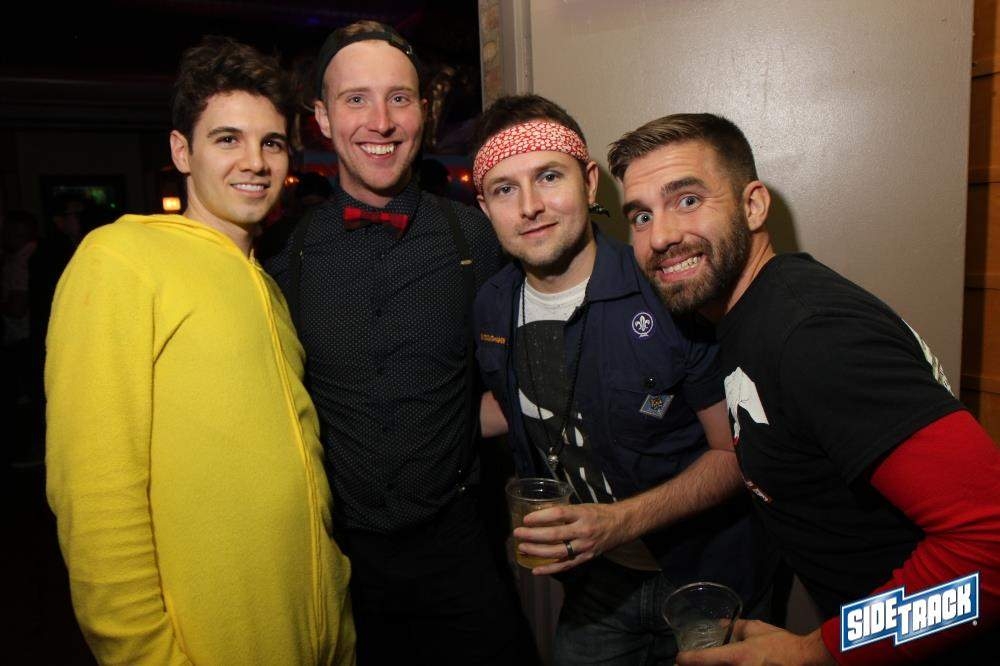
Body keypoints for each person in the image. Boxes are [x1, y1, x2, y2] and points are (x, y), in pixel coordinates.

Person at [609, 113, 1000, 664]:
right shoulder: (744, 316)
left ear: (753, 206)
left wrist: (819, 650)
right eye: (642, 215)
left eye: (688, 200)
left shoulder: (810, 333)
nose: (661, 236)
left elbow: (991, 546)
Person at [45, 36, 354, 665]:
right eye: (227, 139)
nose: (255, 162)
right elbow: (96, 496)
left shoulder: (267, 282)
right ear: (181, 151)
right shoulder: (121, 259)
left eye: (272, 143)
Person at [264, 20, 534, 665]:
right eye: (355, 99)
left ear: (423, 114)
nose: (380, 122)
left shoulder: (478, 239)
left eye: (399, 98)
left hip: (460, 547)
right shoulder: (279, 253)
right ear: (322, 119)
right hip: (336, 558)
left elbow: (532, 366)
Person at [471, 95, 770, 664]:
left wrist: (617, 522)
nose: (530, 207)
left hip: (705, 573)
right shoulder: (492, 304)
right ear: (486, 208)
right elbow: (518, 405)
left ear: (589, 183)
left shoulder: (666, 283)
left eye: (549, 177)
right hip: (597, 585)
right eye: (505, 189)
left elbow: (734, 455)